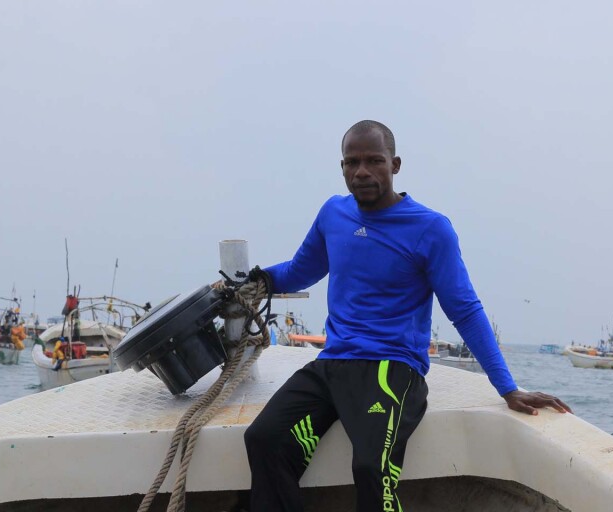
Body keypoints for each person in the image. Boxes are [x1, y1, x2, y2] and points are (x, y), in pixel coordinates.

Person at [243, 120, 571, 512]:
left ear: (395, 165)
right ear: (342, 167)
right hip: (333, 364)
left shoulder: (430, 229)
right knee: (264, 438)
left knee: (371, 466)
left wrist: (507, 388)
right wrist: (256, 280)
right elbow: (300, 270)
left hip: (392, 369)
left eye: (373, 161)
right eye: (351, 162)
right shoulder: (333, 214)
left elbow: (464, 311)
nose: (361, 172)